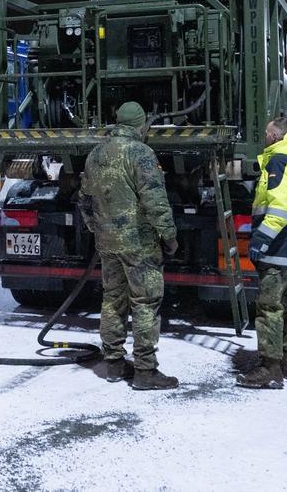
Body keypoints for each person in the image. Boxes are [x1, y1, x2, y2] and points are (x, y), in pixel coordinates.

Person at [79, 101, 180, 390]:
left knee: (112, 300)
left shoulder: (95, 154)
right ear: (140, 125)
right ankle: (145, 371)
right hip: (139, 243)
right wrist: (169, 237)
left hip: (107, 243)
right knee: (145, 303)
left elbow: (84, 200)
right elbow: (154, 200)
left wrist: (97, 229)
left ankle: (113, 364)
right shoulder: (141, 153)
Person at [238, 116, 287, 389]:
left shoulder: (277, 162)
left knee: (270, 307)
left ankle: (270, 368)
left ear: (277, 136)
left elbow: (279, 210)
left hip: (278, 247)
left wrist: (260, 240)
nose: (265, 137)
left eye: (268, 133)